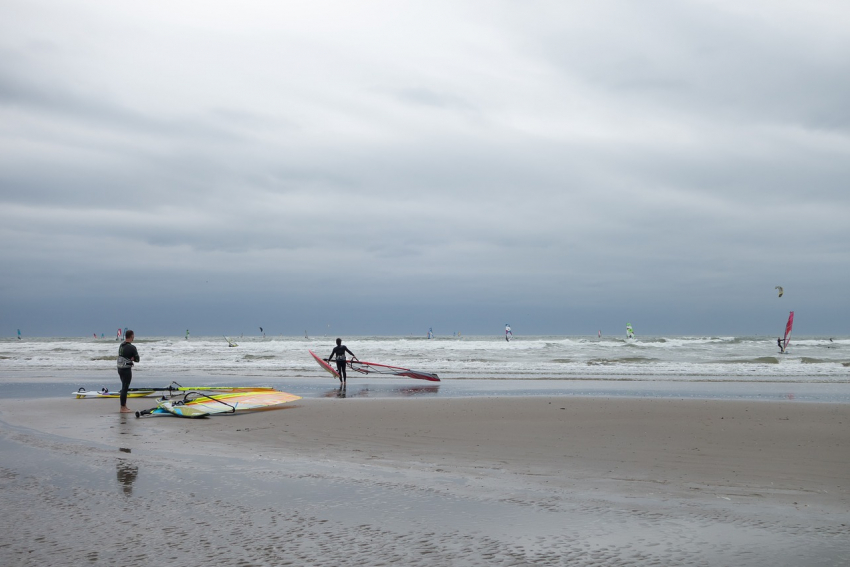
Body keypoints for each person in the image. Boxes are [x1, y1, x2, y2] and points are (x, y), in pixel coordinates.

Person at [117, 330, 140, 413]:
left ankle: (124, 406)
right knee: (125, 388)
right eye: (133, 336)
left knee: (124, 387)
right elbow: (138, 359)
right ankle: (122, 408)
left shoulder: (121, 345)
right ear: (131, 336)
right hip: (126, 369)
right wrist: (133, 358)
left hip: (119, 369)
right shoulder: (132, 347)